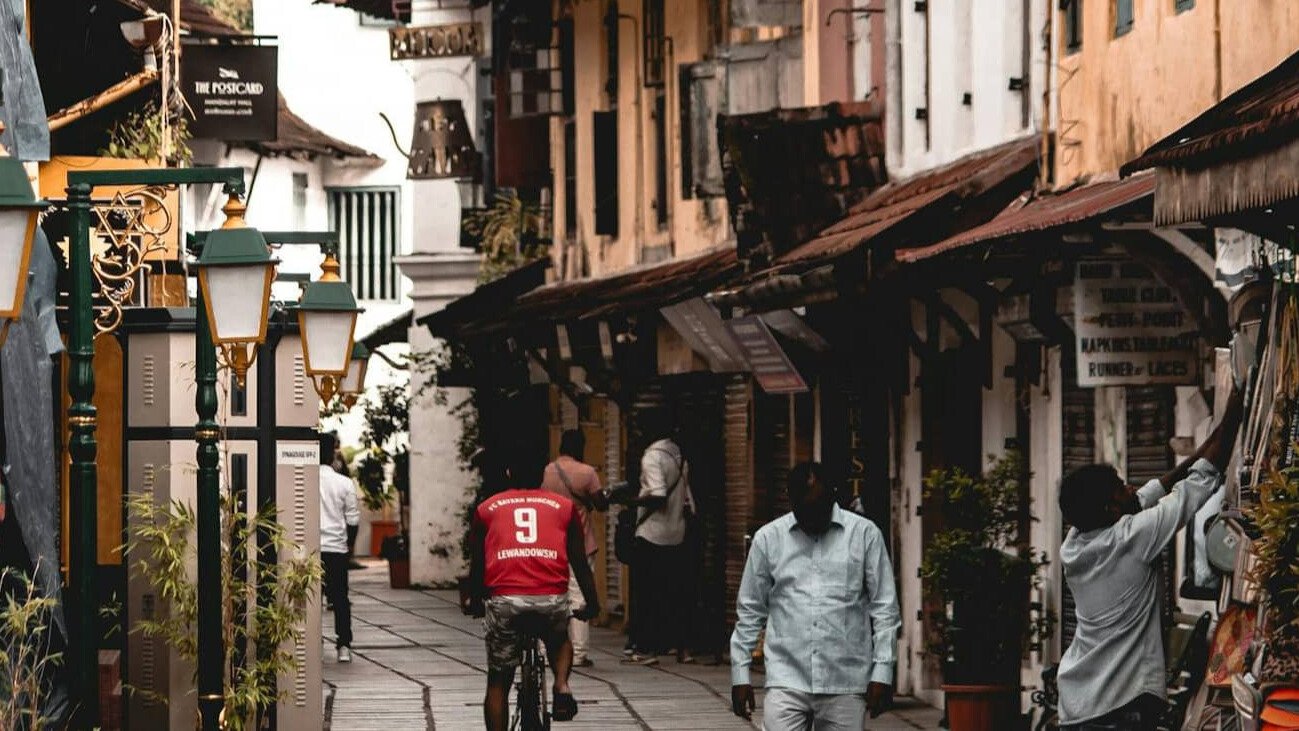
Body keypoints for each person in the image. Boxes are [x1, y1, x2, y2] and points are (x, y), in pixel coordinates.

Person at [1056, 389, 1243, 730]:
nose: (1132, 489)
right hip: (1121, 704)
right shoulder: (1132, 538)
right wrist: (1238, 400)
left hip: (1078, 705)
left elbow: (1150, 493)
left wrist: (1204, 445)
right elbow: (1200, 483)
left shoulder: (1075, 543)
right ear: (1111, 509)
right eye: (1121, 487)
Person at [730, 462, 900, 729]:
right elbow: (750, 609)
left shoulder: (865, 535)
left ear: (832, 496)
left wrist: (883, 672)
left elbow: (885, 608)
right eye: (804, 510)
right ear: (791, 500)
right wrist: (740, 674)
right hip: (787, 678)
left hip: (845, 680)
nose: (811, 517)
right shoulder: (768, 539)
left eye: (818, 507)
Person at [467, 452, 600, 729]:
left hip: (505, 598)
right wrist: (593, 602)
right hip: (550, 596)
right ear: (541, 476)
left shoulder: (487, 508)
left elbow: (478, 563)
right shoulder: (563, 507)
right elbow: (579, 560)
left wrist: (476, 599)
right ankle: (562, 685)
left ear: (508, 474)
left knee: (498, 680)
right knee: (559, 636)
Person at [626, 410, 696, 665]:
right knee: (675, 592)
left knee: (647, 593)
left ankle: (646, 648)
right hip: (677, 532)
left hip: (652, 532)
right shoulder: (678, 454)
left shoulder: (652, 456)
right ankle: (681, 648)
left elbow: (657, 494)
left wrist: (630, 501)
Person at [541, 430, 606, 668]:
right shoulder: (587, 473)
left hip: (549, 542)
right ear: (581, 447)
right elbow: (601, 504)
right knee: (578, 595)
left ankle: (545, 649)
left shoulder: (545, 472)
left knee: (550, 594)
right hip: (581, 541)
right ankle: (578, 653)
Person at [319, 430, 360, 663]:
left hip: (311, 550)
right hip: (336, 549)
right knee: (340, 598)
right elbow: (353, 519)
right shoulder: (344, 483)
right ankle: (343, 645)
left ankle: (314, 641)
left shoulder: (303, 479)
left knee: (311, 599)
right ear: (331, 454)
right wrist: (350, 544)